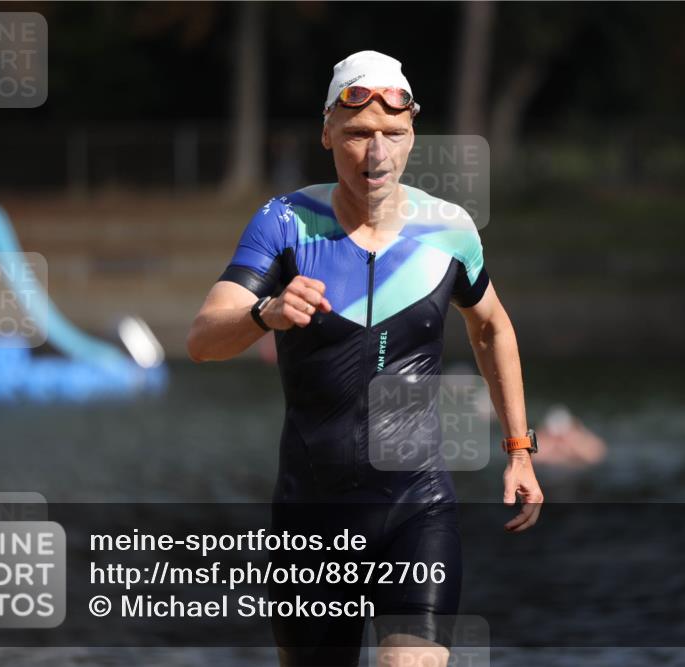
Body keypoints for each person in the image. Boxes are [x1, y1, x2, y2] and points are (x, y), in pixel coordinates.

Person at [187, 50, 543, 667]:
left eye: (392, 135)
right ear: (328, 133)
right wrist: (263, 315)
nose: (375, 152)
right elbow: (201, 338)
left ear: (413, 136)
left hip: (416, 508)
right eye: (356, 134)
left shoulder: (449, 230)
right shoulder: (285, 224)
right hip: (310, 517)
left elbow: (492, 330)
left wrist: (519, 451)